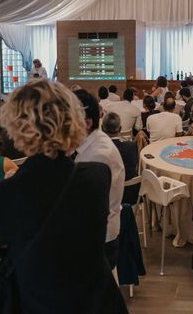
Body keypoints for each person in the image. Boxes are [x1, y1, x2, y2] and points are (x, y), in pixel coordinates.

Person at [0, 80, 127, 313]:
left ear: (17, 128)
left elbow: (0, 246)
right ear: (73, 121)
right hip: (94, 301)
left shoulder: (1, 195)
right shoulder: (97, 176)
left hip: (37, 301)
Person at [74, 89, 125, 269]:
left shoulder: (98, 156)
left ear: (87, 123)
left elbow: (82, 206)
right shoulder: (87, 144)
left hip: (99, 239)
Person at [102, 113, 139, 205]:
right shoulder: (131, 147)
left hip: (107, 196)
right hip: (130, 194)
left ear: (102, 128)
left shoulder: (98, 150)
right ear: (120, 129)